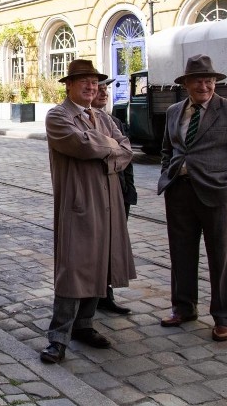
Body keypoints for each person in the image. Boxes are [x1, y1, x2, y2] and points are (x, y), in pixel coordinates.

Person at [157, 54, 227, 342]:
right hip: (179, 192)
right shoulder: (174, 111)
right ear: (186, 84)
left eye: (209, 81)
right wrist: (169, 173)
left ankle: (225, 318)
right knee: (181, 254)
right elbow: (168, 149)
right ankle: (184, 307)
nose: (205, 86)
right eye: (198, 81)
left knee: (221, 258)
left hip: (216, 193)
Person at [40, 59, 136, 364]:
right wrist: (110, 148)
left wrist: (104, 148)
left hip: (109, 202)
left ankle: (85, 325)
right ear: (68, 85)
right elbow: (81, 146)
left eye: (95, 82)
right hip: (78, 201)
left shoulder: (104, 119)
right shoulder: (58, 116)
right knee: (73, 267)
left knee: (101, 263)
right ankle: (58, 338)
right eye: (84, 81)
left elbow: (127, 151)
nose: (91, 86)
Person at [92, 79, 137, 315]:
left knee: (112, 246)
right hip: (98, 194)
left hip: (119, 192)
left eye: (105, 89)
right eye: (98, 89)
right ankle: (94, 295)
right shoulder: (84, 123)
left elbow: (127, 158)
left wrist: (129, 190)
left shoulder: (116, 121)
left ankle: (106, 293)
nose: (103, 93)